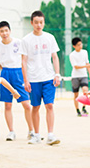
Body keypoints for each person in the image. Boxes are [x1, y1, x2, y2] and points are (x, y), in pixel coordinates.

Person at [21, 10, 61, 145]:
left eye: (41, 22)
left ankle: (50, 135)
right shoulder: (26, 40)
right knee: (35, 106)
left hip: (48, 77)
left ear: (44, 23)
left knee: (49, 105)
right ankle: (36, 135)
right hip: (33, 79)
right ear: (32, 23)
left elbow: (55, 57)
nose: (39, 25)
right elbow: (24, 61)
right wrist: (25, 80)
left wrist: (57, 73)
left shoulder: (50, 37)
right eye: (36, 22)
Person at [0, 21, 33, 141]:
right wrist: (7, 70)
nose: (4, 33)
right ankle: (11, 131)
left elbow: (25, 59)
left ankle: (31, 131)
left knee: (26, 104)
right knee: (8, 105)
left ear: (10, 31)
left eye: (6, 30)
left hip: (19, 73)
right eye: (1, 31)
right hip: (5, 73)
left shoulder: (18, 43)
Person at [69, 37, 90, 117]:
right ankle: (77, 110)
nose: (80, 46)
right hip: (75, 76)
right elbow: (75, 66)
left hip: (84, 75)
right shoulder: (72, 55)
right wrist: (87, 66)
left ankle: (84, 107)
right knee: (76, 95)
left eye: (81, 44)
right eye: (78, 45)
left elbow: (87, 64)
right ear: (74, 46)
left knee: (85, 90)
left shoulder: (85, 52)